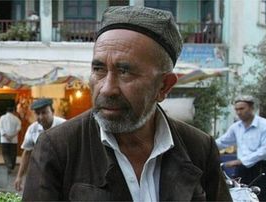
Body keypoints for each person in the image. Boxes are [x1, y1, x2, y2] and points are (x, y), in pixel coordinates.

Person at [23, 6, 231, 201]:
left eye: (125, 72)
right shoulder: (58, 147)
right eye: (99, 69)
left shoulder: (199, 147)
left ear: (164, 86)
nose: (107, 89)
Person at [216, 95, 266, 201]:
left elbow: (265, 150)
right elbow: (222, 142)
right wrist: (204, 144)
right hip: (242, 170)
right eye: (236, 109)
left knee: (264, 198)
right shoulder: (236, 127)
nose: (238, 112)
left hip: (262, 168)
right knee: (240, 197)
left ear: (252, 108)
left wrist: (240, 161)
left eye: (242, 108)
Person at [13, 99, 65, 191]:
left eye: (44, 112)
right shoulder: (32, 129)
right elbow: (27, 152)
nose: (41, 117)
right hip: (42, 172)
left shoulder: (64, 126)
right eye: (37, 113)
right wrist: (19, 176)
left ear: (52, 112)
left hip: (62, 172)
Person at [0, 107, 21, 172]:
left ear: (6, 111)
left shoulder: (2, 118)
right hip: (13, 140)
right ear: (13, 111)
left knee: (5, 153)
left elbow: (1, 128)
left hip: (4, 139)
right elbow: (18, 129)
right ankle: (12, 166)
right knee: (13, 153)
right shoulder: (17, 119)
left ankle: (8, 164)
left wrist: (6, 136)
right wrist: (12, 136)